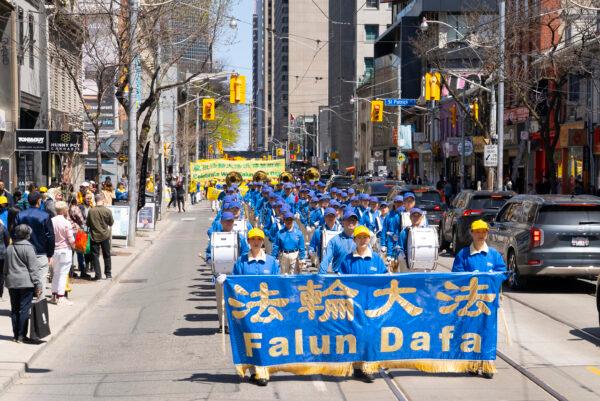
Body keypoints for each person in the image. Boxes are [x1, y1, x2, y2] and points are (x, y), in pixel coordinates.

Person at [224, 227, 279, 386]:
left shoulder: (271, 262)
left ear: (263, 242)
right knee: (252, 340)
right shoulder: (241, 262)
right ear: (248, 241)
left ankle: (263, 372)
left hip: (267, 308)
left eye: (259, 239)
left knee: (266, 339)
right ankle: (256, 371)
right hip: (248, 309)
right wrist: (225, 280)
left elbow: (278, 283)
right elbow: (234, 283)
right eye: (253, 239)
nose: (256, 242)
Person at [338, 225, 386, 383]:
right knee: (354, 335)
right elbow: (339, 282)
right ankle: (356, 366)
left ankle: (367, 366)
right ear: (354, 240)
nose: (363, 240)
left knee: (370, 335)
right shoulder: (347, 260)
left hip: (372, 306)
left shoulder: (376, 260)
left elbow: (385, 281)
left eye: (365, 237)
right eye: (359, 237)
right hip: (353, 306)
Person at [4, 224, 42, 344]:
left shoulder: (9, 247)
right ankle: (21, 336)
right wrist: (38, 284)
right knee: (24, 309)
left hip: (12, 282)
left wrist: (7, 278)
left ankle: (16, 335)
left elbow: (5, 268)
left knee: (14, 309)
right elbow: (33, 269)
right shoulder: (29, 247)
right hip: (26, 283)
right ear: (27, 234)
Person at [14, 191, 54, 299]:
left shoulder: (20, 215)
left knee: (26, 280)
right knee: (41, 280)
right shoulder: (45, 216)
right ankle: (39, 310)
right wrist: (50, 254)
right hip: (40, 252)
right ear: (39, 201)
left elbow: (15, 233)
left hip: (23, 252)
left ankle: (26, 307)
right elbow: (50, 236)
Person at [319, 208, 359, 274]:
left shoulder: (362, 240)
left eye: (353, 220)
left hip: (356, 277)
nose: (351, 222)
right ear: (343, 222)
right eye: (348, 220)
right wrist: (321, 277)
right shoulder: (335, 240)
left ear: (357, 223)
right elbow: (326, 260)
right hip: (339, 277)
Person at [50, 201, 76, 305]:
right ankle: (61, 297)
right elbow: (70, 238)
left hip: (54, 250)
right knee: (63, 274)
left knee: (55, 274)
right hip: (65, 250)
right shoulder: (66, 222)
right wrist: (76, 247)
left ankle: (53, 295)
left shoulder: (51, 221)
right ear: (64, 210)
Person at [87, 193, 114, 280]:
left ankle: (98, 275)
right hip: (105, 235)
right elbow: (111, 223)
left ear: (95, 200)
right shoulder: (107, 211)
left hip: (94, 236)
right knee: (107, 255)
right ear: (102, 200)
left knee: (95, 256)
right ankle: (108, 274)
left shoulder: (91, 211)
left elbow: (87, 224)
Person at [0, 213, 9, 302]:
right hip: (2, 254)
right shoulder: (3, 227)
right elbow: (7, 240)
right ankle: (0, 293)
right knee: (1, 274)